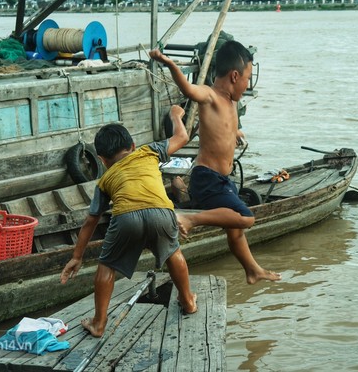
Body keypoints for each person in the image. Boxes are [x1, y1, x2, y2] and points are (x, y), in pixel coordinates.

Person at [149, 40, 281, 285]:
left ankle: (252, 270)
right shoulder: (209, 95)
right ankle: (190, 218)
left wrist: (235, 133)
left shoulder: (231, 102)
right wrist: (169, 64)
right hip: (207, 178)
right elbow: (189, 90)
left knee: (235, 230)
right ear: (234, 76)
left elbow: (223, 127)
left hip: (222, 179)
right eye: (247, 78)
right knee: (246, 219)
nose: (248, 84)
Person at [60, 105, 197, 338]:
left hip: (125, 218)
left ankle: (99, 323)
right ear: (132, 146)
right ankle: (188, 302)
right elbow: (182, 136)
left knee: (107, 266)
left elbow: (90, 221)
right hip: (161, 213)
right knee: (173, 252)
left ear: (102, 160)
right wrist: (175, 115)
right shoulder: (149, 151)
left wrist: (77, 256)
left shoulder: (104, 180)